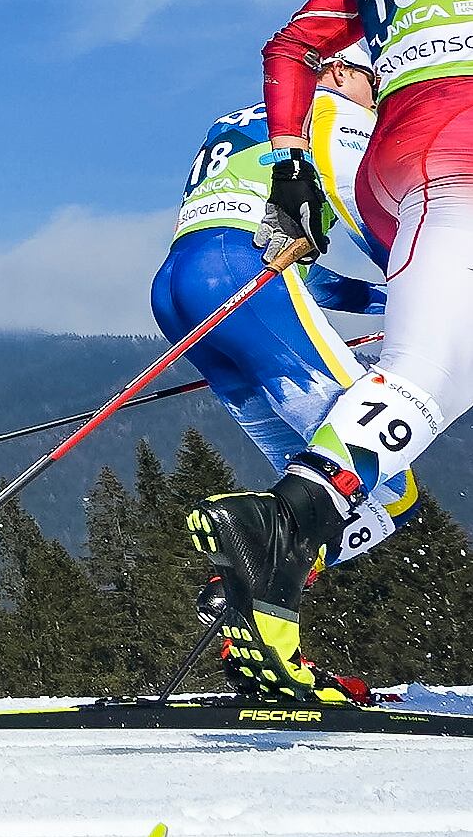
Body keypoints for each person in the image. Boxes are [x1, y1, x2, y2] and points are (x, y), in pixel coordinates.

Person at [196, 0, 473, 703]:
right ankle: (279, 534)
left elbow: (290, 46)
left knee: (434, 377)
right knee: (430, 372)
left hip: (402, 157)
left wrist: (288, 168)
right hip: (466, 134)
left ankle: (279, 545)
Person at [151, 57, 410, 665]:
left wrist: (386, 298)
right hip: (242, 276)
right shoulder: (332, 115)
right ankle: (266, 588)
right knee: (388, 480)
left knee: (311, 483)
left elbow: (297, 275)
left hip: (181, 288)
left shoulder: (240, 122)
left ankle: (252, 608)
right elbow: (372, 212)